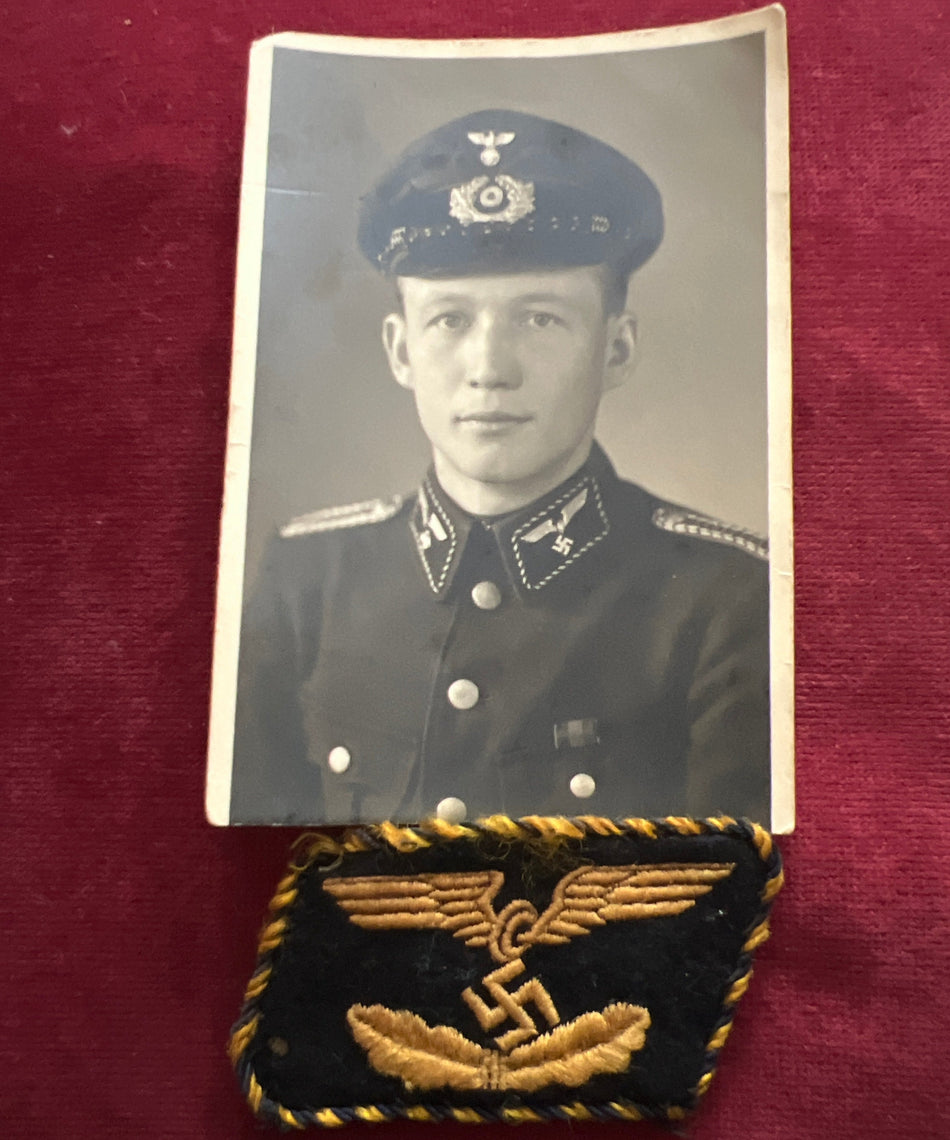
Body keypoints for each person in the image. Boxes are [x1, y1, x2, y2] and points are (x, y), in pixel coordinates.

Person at [228, 109, 770, 826]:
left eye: (540, 319)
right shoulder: (306, 576)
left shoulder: (726, 598)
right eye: (450, 320)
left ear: (616, 350)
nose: (489, 370)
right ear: (400, 351)